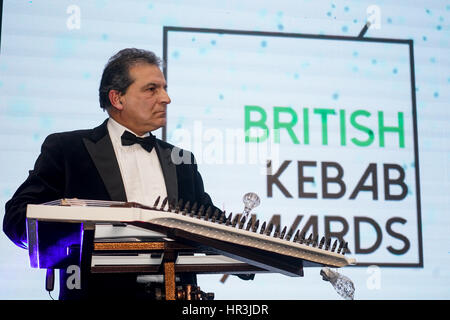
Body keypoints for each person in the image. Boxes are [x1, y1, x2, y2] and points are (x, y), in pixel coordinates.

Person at [3, 48, 218, 299]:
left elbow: (211, 223)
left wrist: (263, 249)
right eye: (152, 89)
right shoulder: (67, 149)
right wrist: (68, 229)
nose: (166, 98)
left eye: (164, 88)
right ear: (117, 99)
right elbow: (18, 218)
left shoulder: (182, 160)